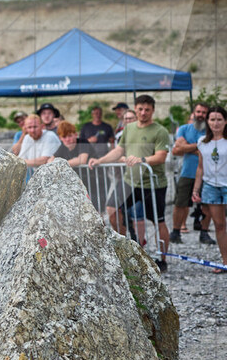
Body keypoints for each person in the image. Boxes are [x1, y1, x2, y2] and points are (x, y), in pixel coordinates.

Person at [90, 95, 171, 272]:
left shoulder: (160, 131)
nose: (143, 113)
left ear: (152, 110)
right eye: (140, 109)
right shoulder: (129, 128)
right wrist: (100, 160)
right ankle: (123, 249)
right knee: (111, 208)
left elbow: (161, 156)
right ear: (135, 108)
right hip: (130, 181)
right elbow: (119, 150)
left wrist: (141, 159)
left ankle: (163, 259)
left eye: (147, 110)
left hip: (153, 183)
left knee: (159, 220)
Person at [171, 102, 214, 245]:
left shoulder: (212, 130)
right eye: (198, 112)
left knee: (207, 204)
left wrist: (188, 147)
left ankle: (204, 233)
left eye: (204, 112)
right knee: (180, 203)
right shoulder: (184, 128)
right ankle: (176, 232)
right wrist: (201, 144)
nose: (201, 115)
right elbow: (178, 147)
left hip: (208, 174)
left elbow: (184, 147)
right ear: (194, 113)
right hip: (187, 172)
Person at [192, 105, 227, 273]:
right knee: (219, 225)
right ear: (207, 121)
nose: (216, 123)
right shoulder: (202, 142)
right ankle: (225, 261)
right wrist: (196, 190)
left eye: (219, 119)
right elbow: (200, 167)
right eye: (212, 119)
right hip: (211, 187)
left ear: (225, 121)